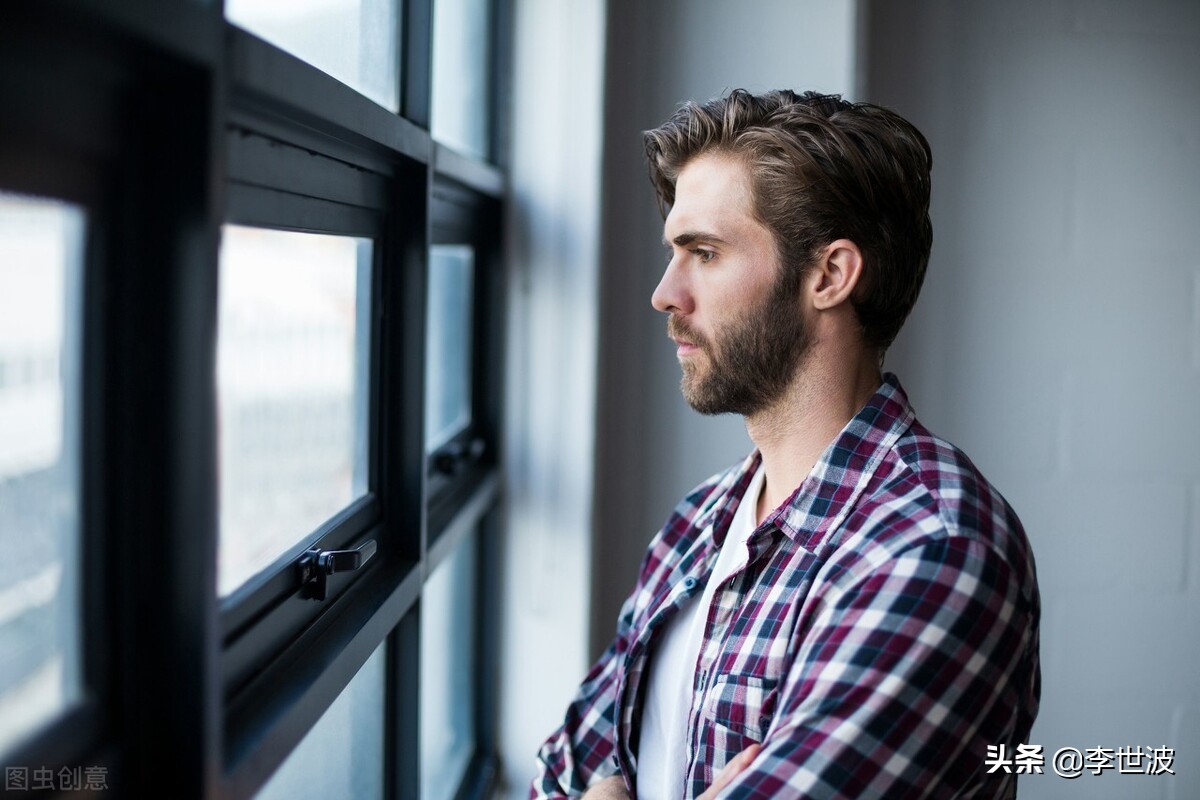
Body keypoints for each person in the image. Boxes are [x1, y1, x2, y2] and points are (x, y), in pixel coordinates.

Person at [530, 89, 1040, 799]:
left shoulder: (932, 543)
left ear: (828, 275)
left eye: (704, 253)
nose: (664, 293)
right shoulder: (696, 526)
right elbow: (559, 772)